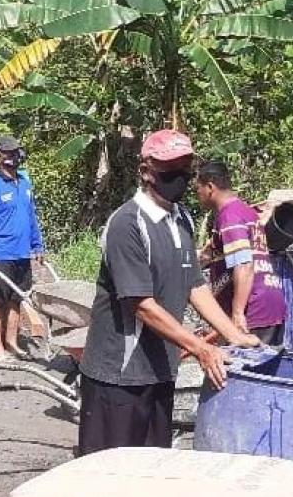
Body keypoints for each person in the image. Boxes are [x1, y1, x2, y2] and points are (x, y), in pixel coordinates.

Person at [77, 130, 260, 455]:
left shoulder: (182, 220)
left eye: (185, 167)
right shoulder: (127, 224)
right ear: (147, 171)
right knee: (109, 476)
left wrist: (233, 334)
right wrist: (201, 349)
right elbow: (141, 305)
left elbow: (193, 284)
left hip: (159, 371)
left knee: (150, 470)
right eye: (170, 168)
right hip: (119, 376)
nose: (179, 175)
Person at [194, 161, 287, 345]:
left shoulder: (229, 216)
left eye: (198, 189)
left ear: (210, 187)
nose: (197, 194)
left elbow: (244, 264)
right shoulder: (247, 212)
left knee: (231, 371)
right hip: (270, 303)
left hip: (252, 310)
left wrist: (237, 313)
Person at [0, 136, 45, 362]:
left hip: (22, 253)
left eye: (17, 152)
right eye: (10, 153)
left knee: (17, 300)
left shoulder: (24, 183)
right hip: (1, 253)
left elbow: (31, 217)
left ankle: (12, 342)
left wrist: (37, 245)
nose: (15, 156)